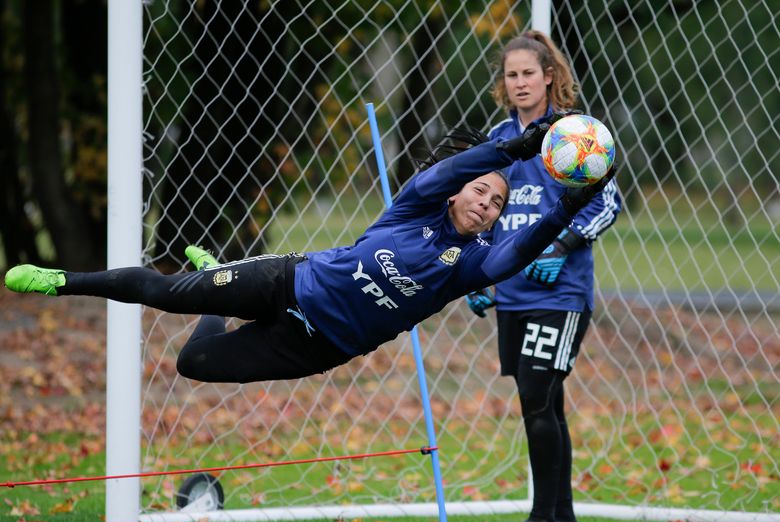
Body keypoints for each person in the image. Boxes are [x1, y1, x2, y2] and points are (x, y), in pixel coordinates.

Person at [5, 125, 610, 388]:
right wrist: (512, 149)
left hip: (314, 347)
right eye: (481, 189)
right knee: (166, 294)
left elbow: (520, 253)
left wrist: (566, 209)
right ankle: (63, 278)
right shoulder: (412, 208)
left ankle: (213, 268)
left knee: (195, 363)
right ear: (459, 191)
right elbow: (454, 168)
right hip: (288, 283)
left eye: (497, 202)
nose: (486, 201)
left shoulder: (471, 265)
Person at [467, 32, 622, 522]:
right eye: (511, 75)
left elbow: (608, 204)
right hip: (511, 292)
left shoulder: (574, 134)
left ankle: (541, 520)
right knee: (543, 401)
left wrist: (561, 247)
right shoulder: (498, 137)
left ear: (549, 76)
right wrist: (475, 270)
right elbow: (485, 209)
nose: (519, 83)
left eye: (528, 73)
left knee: (538, 392)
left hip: (561, 293)